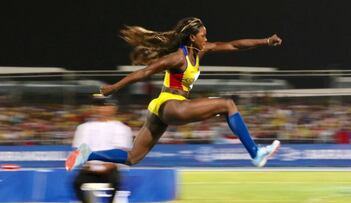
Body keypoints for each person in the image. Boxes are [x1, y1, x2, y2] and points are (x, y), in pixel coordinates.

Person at [66, 17, 282, 171]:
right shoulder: (178, 57)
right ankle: (255, 153)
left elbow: (234, 45)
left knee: (133, 158)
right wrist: (114, 88)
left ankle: (86, 154)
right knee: (227, 105)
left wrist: (265, 41)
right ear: (191, 38)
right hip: (171, 105)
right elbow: (145, 72)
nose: (206, 39)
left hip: (163, 110)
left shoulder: (201, 51)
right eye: (203, 36)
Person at [71, 95, 133, 203]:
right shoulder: (84, 128)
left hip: (111, 169)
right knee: (76, 183)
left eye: (105, 106)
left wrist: (108, 166)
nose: (101, 109)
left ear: (113, 108)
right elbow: (80, 150)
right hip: (89, 169)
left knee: (115, 181)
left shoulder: (121, 128)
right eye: (98, 106)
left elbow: (120, 152)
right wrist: (89, 165)